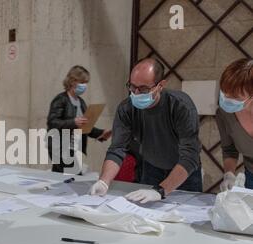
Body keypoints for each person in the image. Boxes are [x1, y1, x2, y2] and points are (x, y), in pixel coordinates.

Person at [91, 58, 202, 202]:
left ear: (160, 85)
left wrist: (161, 190)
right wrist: (104, 181)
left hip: (183, 172)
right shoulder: (126, 109)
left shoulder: (180, 106)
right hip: (151, 168)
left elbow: (190, 156)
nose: (136, 93)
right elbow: (117, 148)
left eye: (143, 89)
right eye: (132, 87)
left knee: (184, 215)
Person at [47, 66, 112, 174]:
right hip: (59, 147)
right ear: (73, 81)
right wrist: (73, 122)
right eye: (82, 82)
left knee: (60, 178)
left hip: (73, 148)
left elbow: (85, 127)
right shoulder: (61, 99)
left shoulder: (81, 102)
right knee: (75, 177)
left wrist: (101, 133)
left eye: (86, 82)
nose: (84, 86)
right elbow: (52, 122)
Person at [216, 58, 253, 191]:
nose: (228, 100)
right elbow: (229, 149)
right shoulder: (224, 114)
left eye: (236, 97)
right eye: (224, 93)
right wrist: (229, 174)